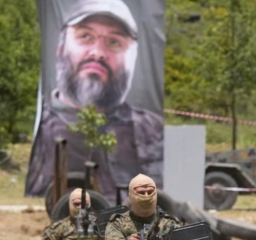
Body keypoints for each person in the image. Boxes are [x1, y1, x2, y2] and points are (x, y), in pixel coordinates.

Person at [26, 0, 163, 198]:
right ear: (60, 47)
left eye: (114, 42)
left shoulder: (155, 131)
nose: (98, 53)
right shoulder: (40, 131)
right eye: (85, 36)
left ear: (132, 58)